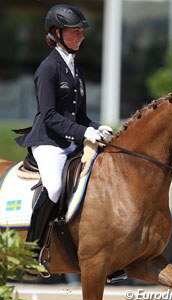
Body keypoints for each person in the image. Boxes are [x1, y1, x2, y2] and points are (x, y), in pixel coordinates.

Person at [16, 4, 113, 260]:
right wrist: (84, 133)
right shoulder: (48, 69)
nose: (82, 36)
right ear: (57, 33)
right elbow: (49, 116)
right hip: (48, 141)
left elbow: (80, 116)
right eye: (76, 31)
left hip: (70, 141)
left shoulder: (77, 71)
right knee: (56, 186)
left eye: (82, 31)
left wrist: (96, 127)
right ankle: (31, 252)